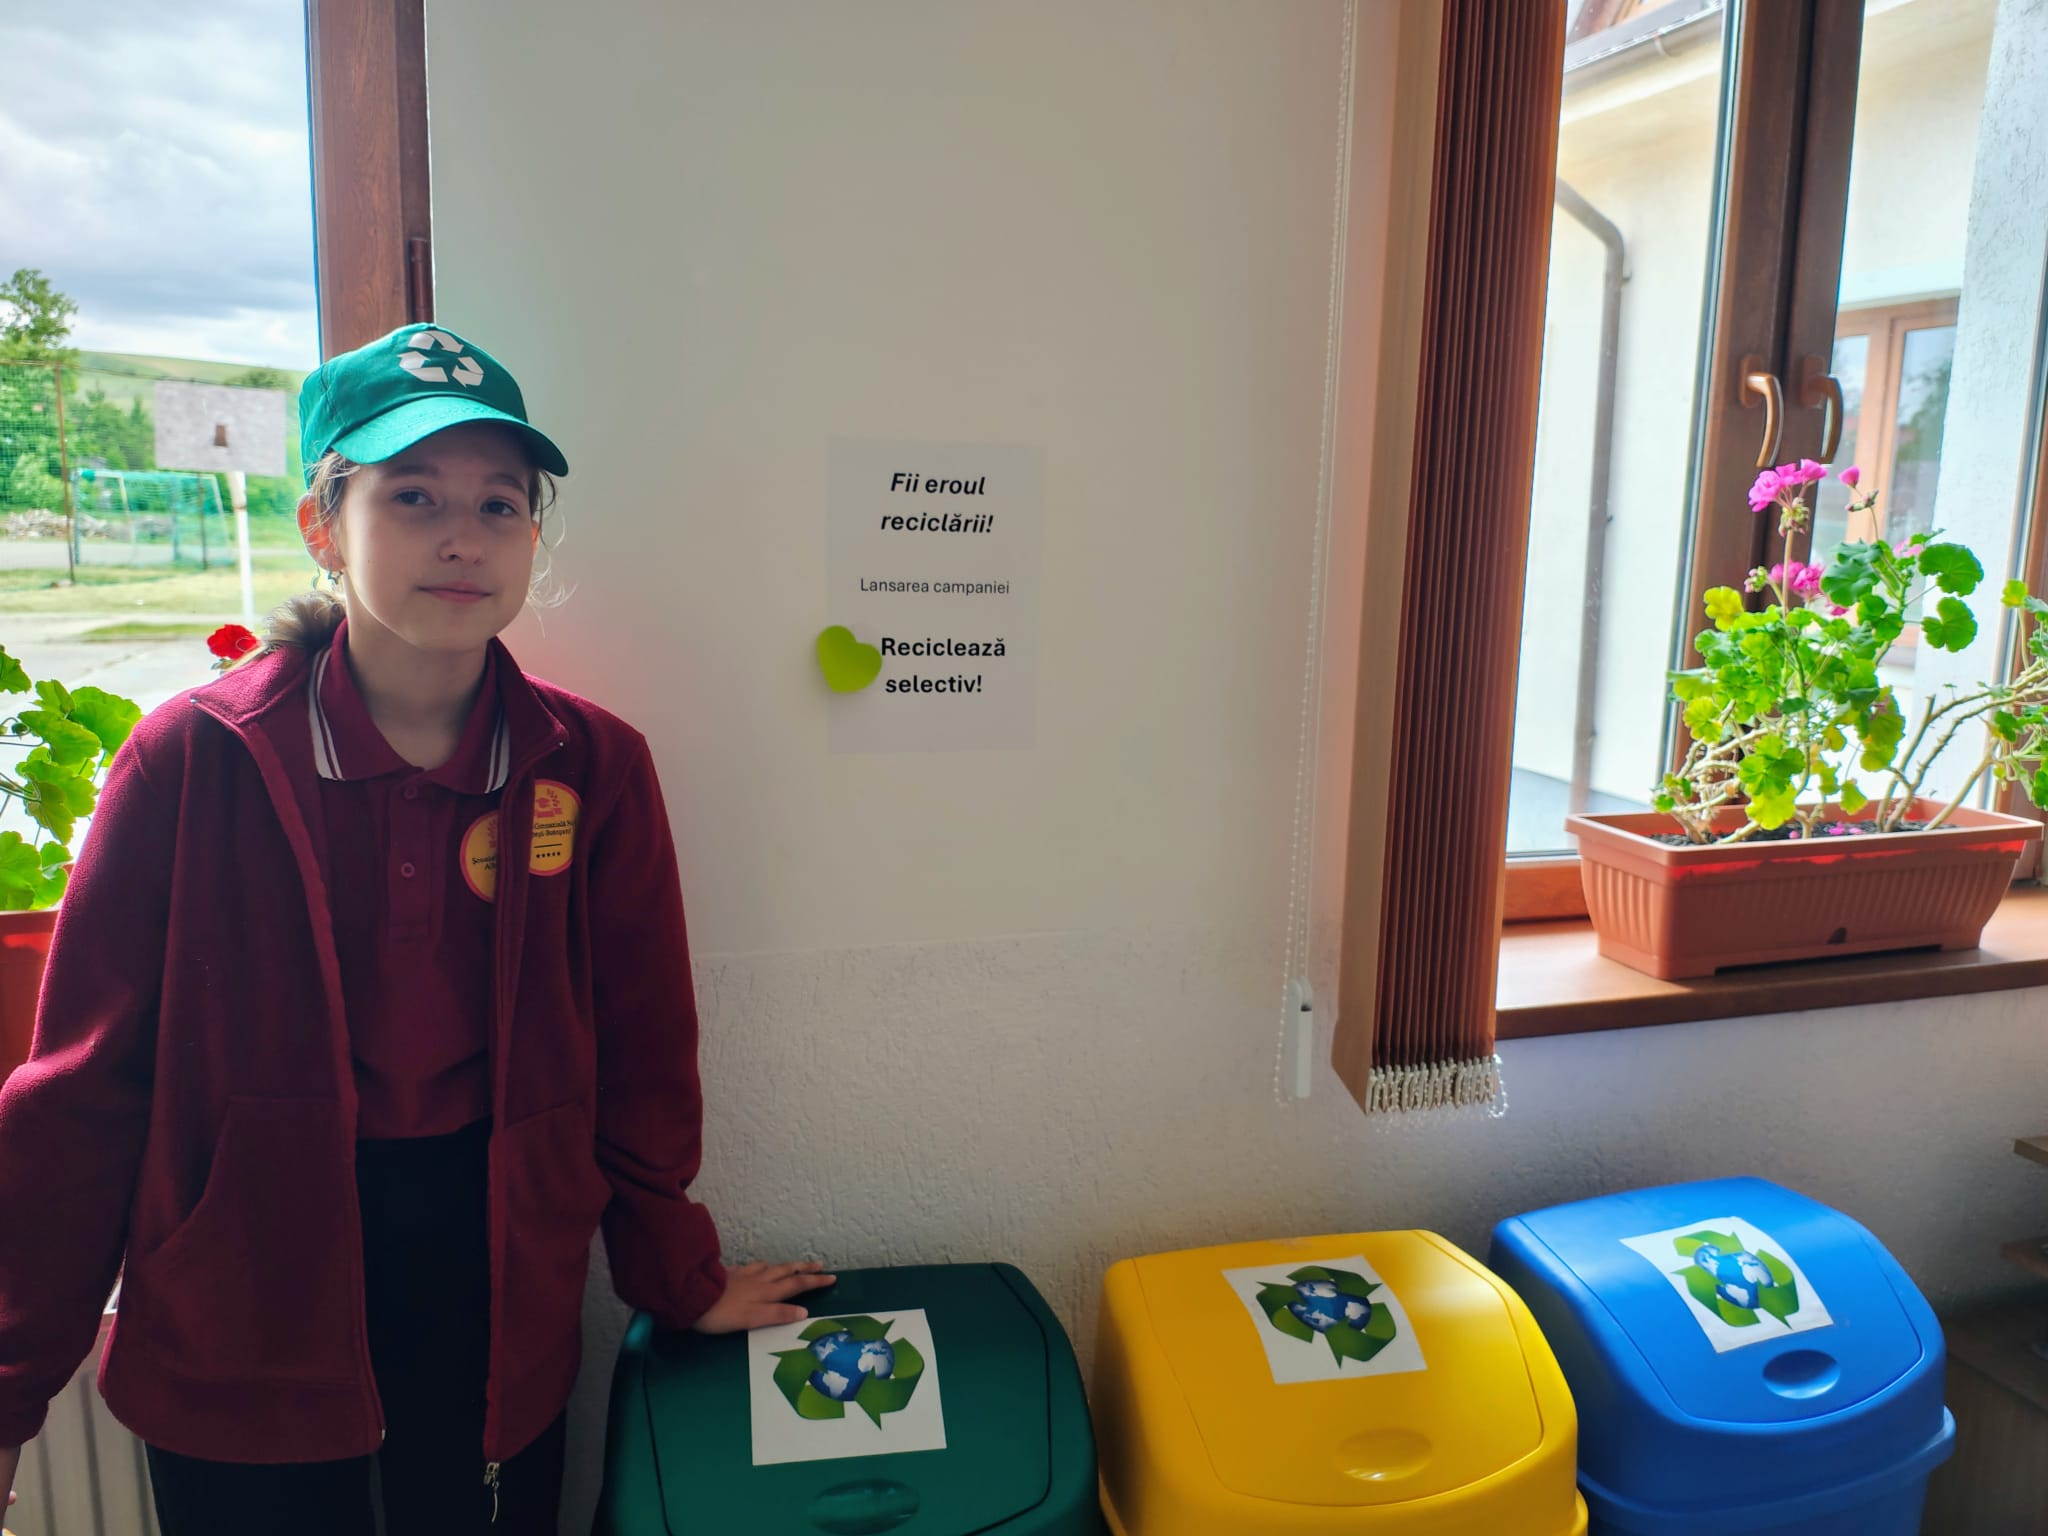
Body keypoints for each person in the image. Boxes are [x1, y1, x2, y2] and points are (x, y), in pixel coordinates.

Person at [0, 323, 831, 1533]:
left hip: (491, 1283)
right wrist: (10, 1388)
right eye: (413, 496)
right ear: (323, 525)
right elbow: (82, 1090)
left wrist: (675, 1273)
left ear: (533, 536)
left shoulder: (590, 765)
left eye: (500, 503)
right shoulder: (192, 759)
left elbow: (643, 1052)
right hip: (245, 1291)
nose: (462, 537)